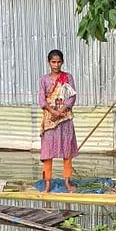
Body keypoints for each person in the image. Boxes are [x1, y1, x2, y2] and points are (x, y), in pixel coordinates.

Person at [38, 49, 78, 193]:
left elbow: (72, 97)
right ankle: (47, 183)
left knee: (67, 151)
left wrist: (61, 111)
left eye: (59, 62)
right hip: (50, 120)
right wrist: (53, 111)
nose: (56, 65)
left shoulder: (67, 77)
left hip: (65, 119)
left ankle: (67, 182)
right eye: (53, 62)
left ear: (63, 62)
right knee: (48, 152)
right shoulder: (44, 79)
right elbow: (41, 100)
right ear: (48, 62)